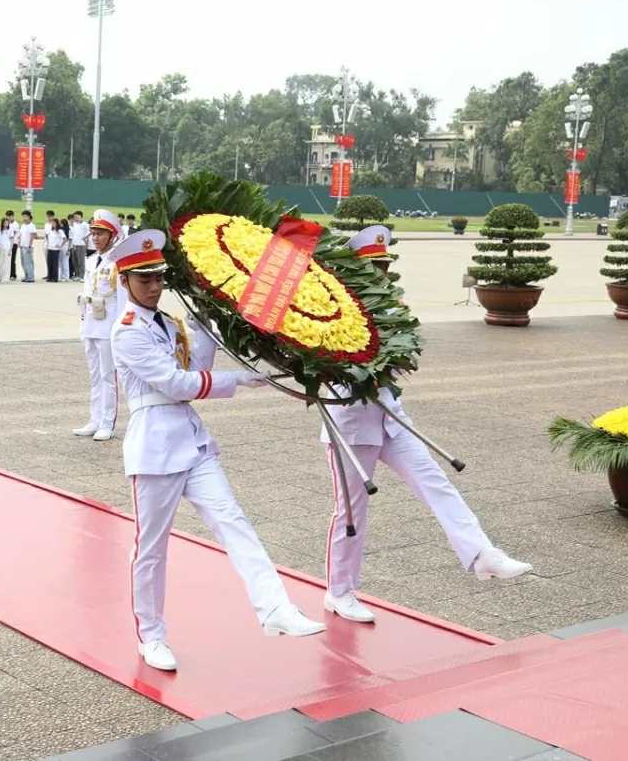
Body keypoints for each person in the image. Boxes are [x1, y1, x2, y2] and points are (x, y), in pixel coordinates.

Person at [108, 228, 325, 673]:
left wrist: (209, 318)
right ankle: (151, 636)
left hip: (191, 441)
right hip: (154, 446)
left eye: (159, 278)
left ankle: (275, 608)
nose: (154, 286)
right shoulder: (126, 332)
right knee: (151, 548)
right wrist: (239, 379)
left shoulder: (169, 324)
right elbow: (176, 384)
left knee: (234, 522)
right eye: (144, 279)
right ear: (125, 281)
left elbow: (196, 369)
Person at [319, 226, 533, 624]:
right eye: (373, 266)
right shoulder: (330, 311)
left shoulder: (392, 308)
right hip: (349, 425)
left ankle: (482, 553)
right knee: (351, 512)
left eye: (384, 265)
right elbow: (323, 368)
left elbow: (405, 357)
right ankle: (339, 591)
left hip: (392, 419)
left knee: (436, 482)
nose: (381, 273)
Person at [74, 210, 124, 441]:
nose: (95, 237)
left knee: (108, 376)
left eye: (100, 233)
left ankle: (107, 422)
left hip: (109, 325)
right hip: (91, 322)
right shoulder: (92, 260)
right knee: (94, 376)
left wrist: (121, 328)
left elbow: (123, 298)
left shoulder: (119, 262)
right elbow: (87, 292)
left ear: (112, 235)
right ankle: (95, 419)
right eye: (93, 233)